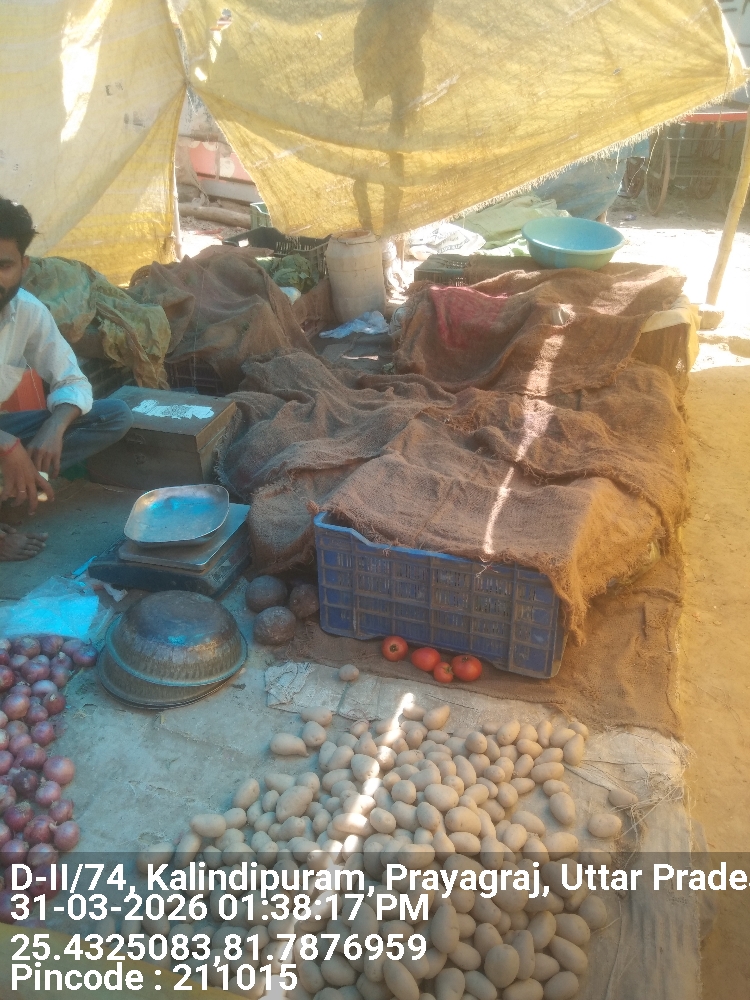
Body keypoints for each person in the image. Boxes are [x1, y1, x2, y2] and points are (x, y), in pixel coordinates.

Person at [0, 197, 133, 561]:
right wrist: (7, 445)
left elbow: (72, 380)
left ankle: (11, 487)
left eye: (4, 266)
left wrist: (54, 427)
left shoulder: (27, 312)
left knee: (112, 415)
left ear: (23, 266)